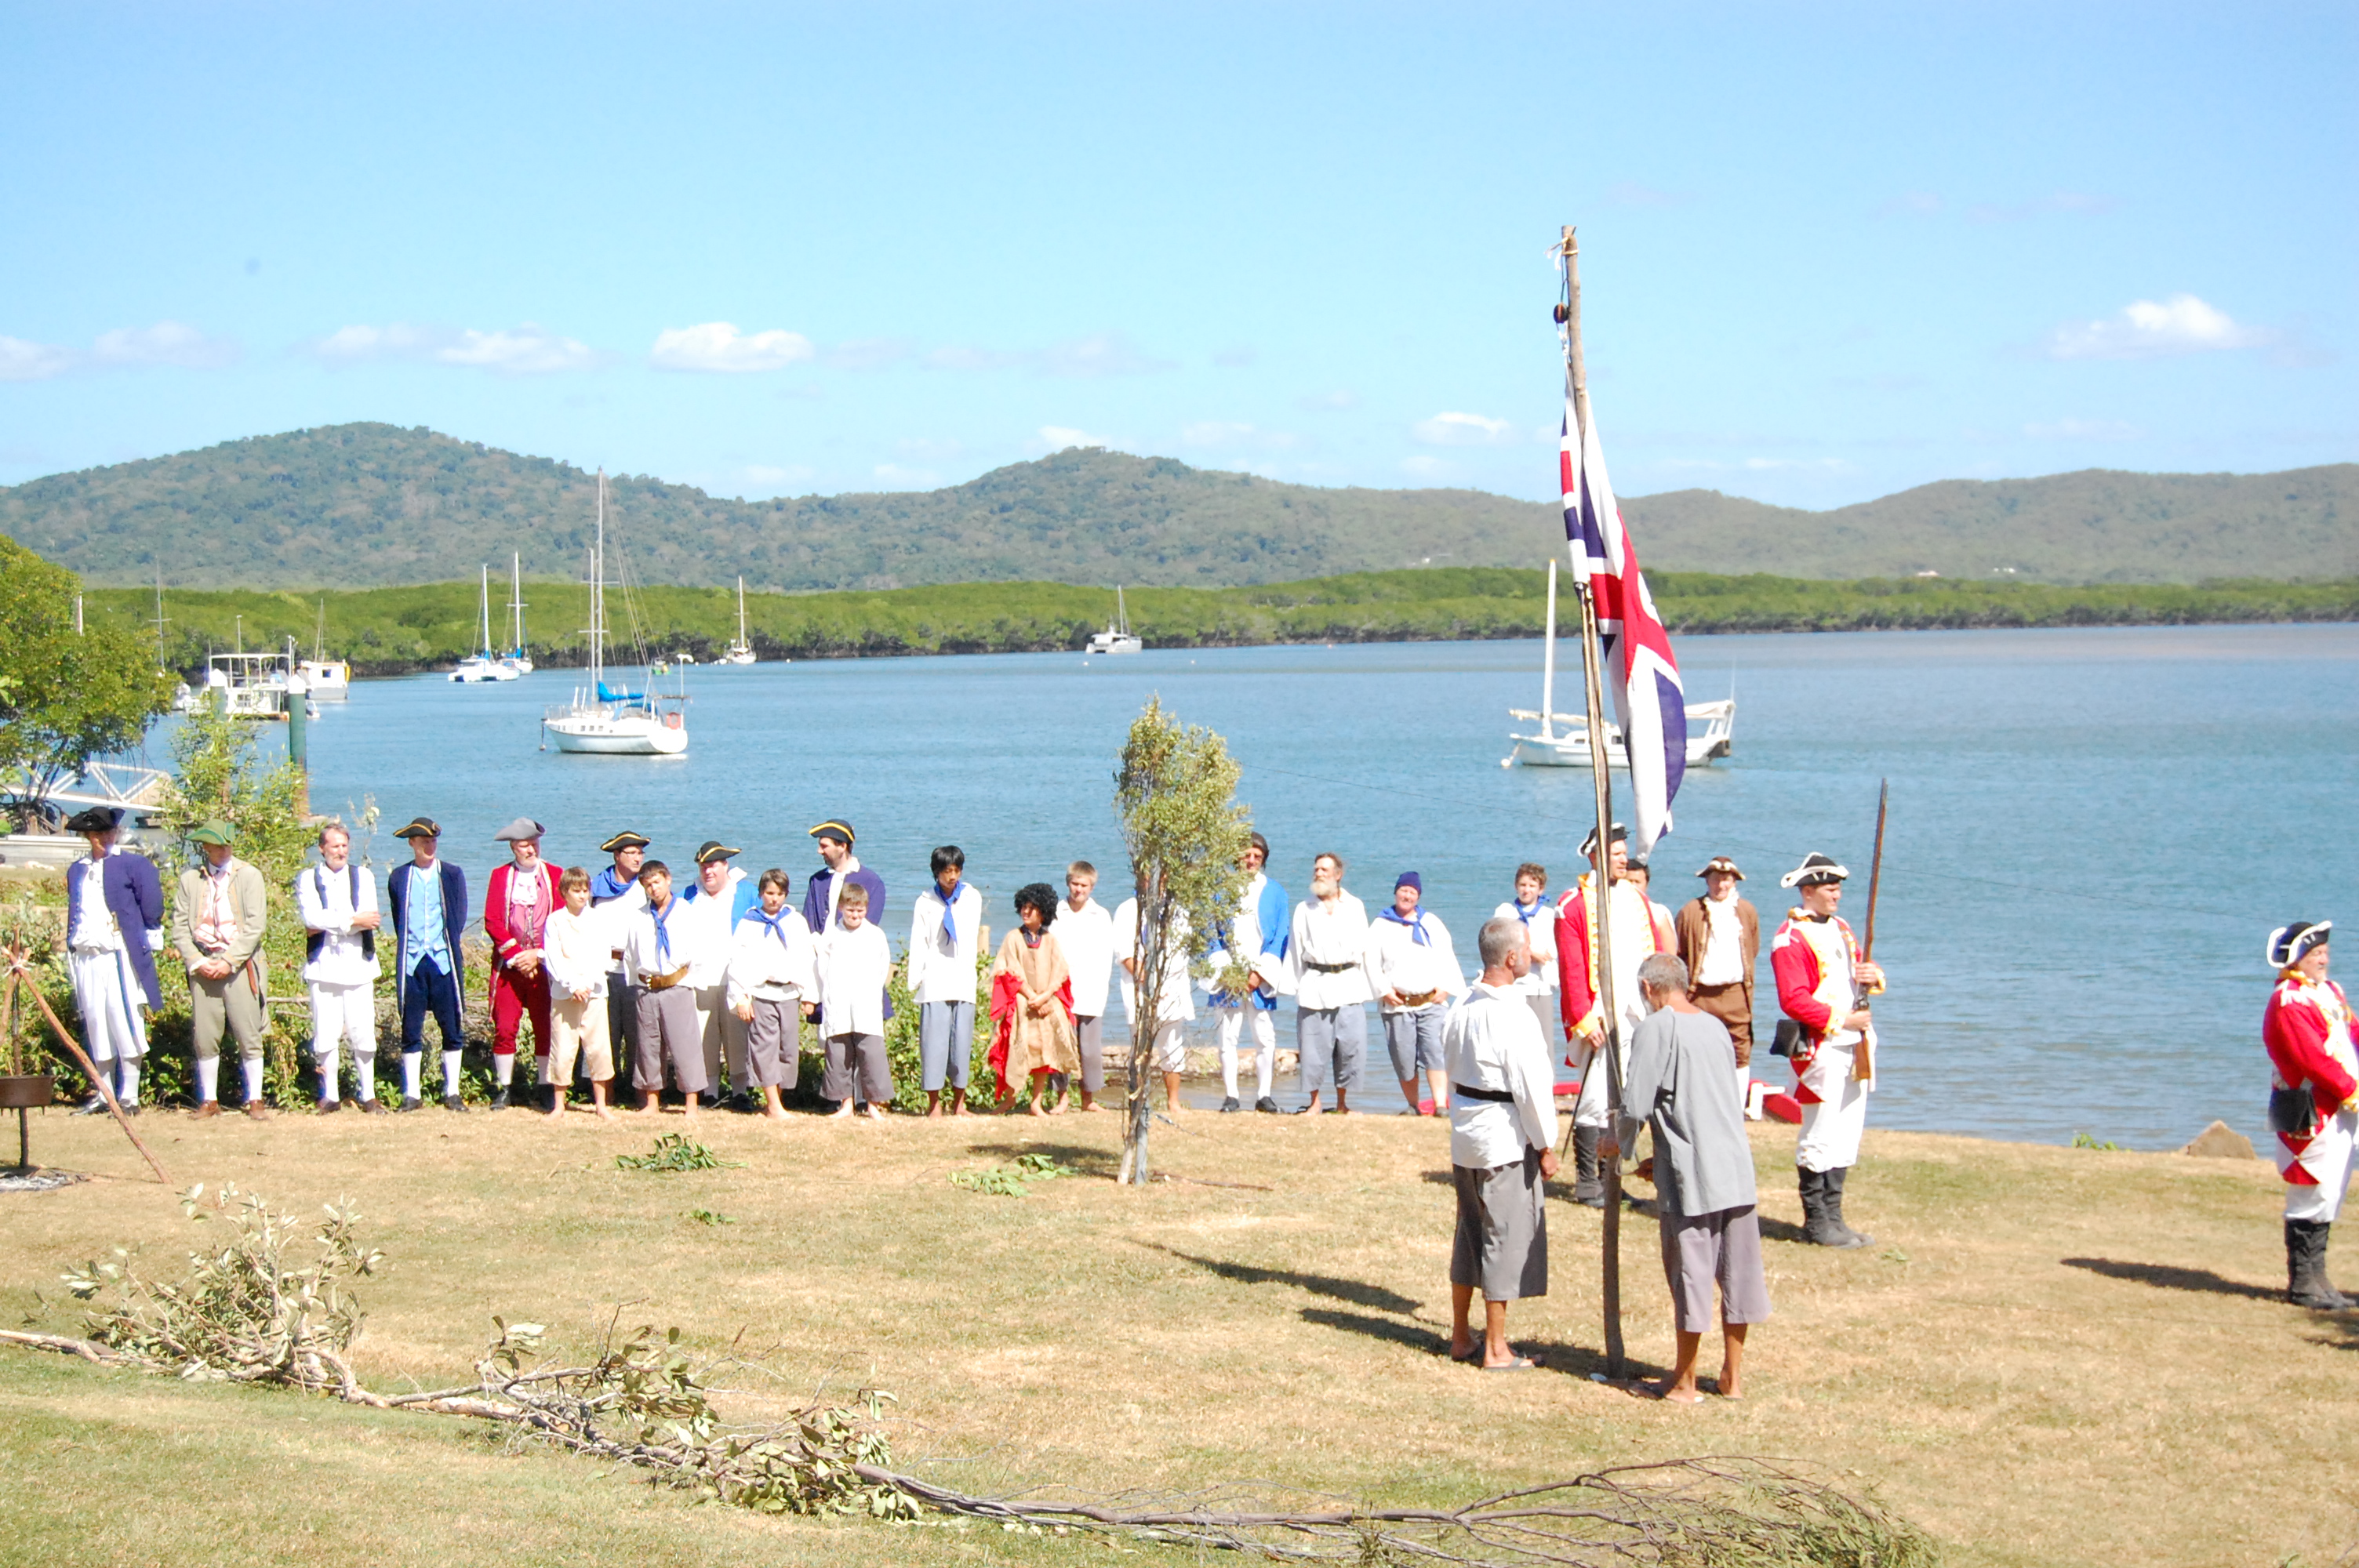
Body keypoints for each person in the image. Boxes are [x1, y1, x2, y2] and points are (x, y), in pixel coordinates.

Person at [1611, 953, 1771, 1403]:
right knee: (1737, 1271)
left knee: (1693, 1274)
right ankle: (1731, 1377)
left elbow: (1637, 1103)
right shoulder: (1715, 1026)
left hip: (1695, 1174)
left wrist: (1618, 1145)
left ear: (1648, 989)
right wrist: (1653, 1159)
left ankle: (1684, 1382)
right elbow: (1696, 1099)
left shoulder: (1656, 1027)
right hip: (1734, 1165)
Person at [1444, 916, 1561, 1372]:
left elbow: (1450, 1065)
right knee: (1502, 1237)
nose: (1531, 954)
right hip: (1503, 1139)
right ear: (1511, 957)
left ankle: (1460, 1334)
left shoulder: (1462, 1007)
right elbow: (1530, 1088)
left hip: (1468, 1134)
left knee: (1469, 1232)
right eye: (1527, 947)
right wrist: (1546, 1144)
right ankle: (1495, 1348)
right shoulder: (1513, 1015)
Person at [1770, 852, 1886, 1249]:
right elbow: (1794, 999)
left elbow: (1851, 974)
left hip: (1854, 1045)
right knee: (1819, 1132)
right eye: (1828, 886)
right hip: (1820, 1046)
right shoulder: (1790, 937)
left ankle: (1835, 1217)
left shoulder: (1842, 929)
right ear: (1808, 891)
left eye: (1838, 886)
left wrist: (1872, 975)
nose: (1836, 892)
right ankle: (1817, 1222)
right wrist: (1842, 1021)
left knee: (1846, 1131)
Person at [1556, 822, 1665, 1204]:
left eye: (1623, 853)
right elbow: (1571, 968)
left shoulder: (1637, 900)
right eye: (1616, 854)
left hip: (1636, 1012)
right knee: (1594, 1098)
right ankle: (1588, 1182)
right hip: (1600, 1016)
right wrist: (1583, 1019)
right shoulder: (1572, 904)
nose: (1624, 859)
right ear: (1595, 856)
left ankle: (1612, 1178)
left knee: (1627, 1098)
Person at [2262, 920, 2357, 1308]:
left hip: (2342, 1103)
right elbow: (2311, 1059)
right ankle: (2303, 1283)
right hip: (2311, 1108)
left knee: (2332, 1189)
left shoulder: (2329, 992)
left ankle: (2319, 1280)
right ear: (2297, 958)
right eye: (2316, 954)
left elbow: (2350, 1034)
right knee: (2311, 1188)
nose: (2324, 959)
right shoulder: (2289, 1000)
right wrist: (2350, 1090)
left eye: (2325, 953)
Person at [60, 807, 164, 1116]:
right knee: (95, 1021)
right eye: (98, 834)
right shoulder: (77, 869)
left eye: (109, 832)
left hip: (118, 952)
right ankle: (104, 1092)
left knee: (126, 1019)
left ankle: (129, 1095)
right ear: (89, 837)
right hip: (87, 954)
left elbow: (152, 906)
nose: (105, 839)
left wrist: (147, 940)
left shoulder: (133, 864)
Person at [171, 819, 271, 1119]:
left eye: (226, 844)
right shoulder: (191, 880)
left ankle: (255, 1099)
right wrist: (197, 961)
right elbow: (179, 927)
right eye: (217, 846)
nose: (223, 850)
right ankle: (209, 1100)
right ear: (206, 848)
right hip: (203, 963)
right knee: (205, 1035)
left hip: (239, 965)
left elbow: (255, 926)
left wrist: (230, 960)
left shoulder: (249, 876)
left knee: (248, 1031)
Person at [296, 821, 384, 1114]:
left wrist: (334, 921)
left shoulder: (364, 876)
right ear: (322, 848)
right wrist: (350, 922)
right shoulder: (309, 878)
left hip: (359, 965)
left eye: (345, 846)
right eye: (334, 846)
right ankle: (330, 1096)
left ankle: (368, 1095)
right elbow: (310, 918)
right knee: (325, 1033)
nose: (341, 851)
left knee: (363, 1033)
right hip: (323, 966)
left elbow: (370, 917)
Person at [387, 817, 469, 1112]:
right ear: (412, 843)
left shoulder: (451, 874)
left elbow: (458, 916)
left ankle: (453, 1092)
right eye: (424, 842)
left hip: (442, 960)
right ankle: (412, 1093)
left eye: (433, 841)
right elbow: (400, 919)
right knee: (411, 1028)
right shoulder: (399, 877)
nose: (430, 846)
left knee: (452, 1027)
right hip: (412, 962)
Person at [1205, 833, 1289, 1114]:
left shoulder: (1275, 892)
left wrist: (1259, 974)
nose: (1251, 860)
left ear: (1263, 858)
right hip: (1228, 977)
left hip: (1260, 978)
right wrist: (1228, 973)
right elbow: (1210, 931)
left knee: (1265, 1038)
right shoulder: (1219, 889)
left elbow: (1280, 935)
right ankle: (1231, 1096)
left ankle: (1264, 1095)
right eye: (1246, 854)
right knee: (1227, 1038)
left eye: (1256, 855)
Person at [619, 860, 708, 1117]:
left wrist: (690, 982)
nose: (653, 889)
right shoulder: (639, 916)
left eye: (657, 882)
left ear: (668, 880)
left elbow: (697, 951)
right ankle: (652, 1101)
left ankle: (691, 1102)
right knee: (648, 1046)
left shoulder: (686, 911)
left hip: (676, 985)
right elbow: (631, 953)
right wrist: (636, 984)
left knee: (685, 1045)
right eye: (648, 885)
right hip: (647, 988)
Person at [726, 869, 816, 1123]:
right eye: (769, 893)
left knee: (787, 1049)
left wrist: (809, 994)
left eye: (779, 894)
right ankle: (774, 1105)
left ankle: (775, 1101)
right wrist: (740, 997)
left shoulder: (795, 922)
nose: (774, 899)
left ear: (786, 895)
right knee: (764, 1048)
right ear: (760, 894)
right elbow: (737, 962)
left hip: (788, 993)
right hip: (760, 992)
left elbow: (807, 958)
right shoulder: (749, 922)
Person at [485, 818, 561, 1109]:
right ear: (514, 848)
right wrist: (517, 955)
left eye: (534, 844)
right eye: (525, 845)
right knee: (505, 1027)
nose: (531, 850)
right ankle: (504, 1087)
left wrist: (538, 954)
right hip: (511, 966)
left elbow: (560, 919)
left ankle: (545, 1084)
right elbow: (493, 920)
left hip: (544, 965)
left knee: (545, 1026)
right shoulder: (500, 876)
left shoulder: (554, 874)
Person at [1290, 851, 1373, 1115]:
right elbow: (1295, 949)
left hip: (1349, 984)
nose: (1319, 873)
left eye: (1325, 869)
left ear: (1338, 875)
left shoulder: (1355, 905)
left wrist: (1373, 987)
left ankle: (1342, 1104)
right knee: (1313, 1049)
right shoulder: (1304, 909)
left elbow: (1365, 948)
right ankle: (1315, 1103)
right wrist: (1295, 986)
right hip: (1314, 984)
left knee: (1350, 1048)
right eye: (1316, 869)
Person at [1371, 871, 1459, 1116]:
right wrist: (1384, 990)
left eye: (1412, 892)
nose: (1407, 895)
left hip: (1431, 1002)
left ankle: (1440, 1105)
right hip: (1397, 1004)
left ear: (1418, 896)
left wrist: (1446, 988)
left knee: (1435, 1051)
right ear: (1396, 892)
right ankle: (1413, 1106)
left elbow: (1447, 956)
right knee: (1404, 1056)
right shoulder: (1381, 924)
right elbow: (1370, 962)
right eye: (1403, 890)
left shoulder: (1431, 922)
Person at [1676, 857, 1761, 1105]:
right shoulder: (1690, 911)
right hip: (1700, 994)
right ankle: (1697, 1104)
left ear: (1734, 881)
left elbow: (1753, 948)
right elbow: (1681, 952)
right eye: (1715, 879)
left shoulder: (1746, 911)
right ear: (1707, 881)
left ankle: (1735, 1106)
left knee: (1740, 1050)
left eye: (1726, 879)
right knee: (1696, 1049)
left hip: (1736, 992)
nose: (1721, 885)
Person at [990, 883, 1078, 1114]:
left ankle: (1036, 1102)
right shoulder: (1013, 938)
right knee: (1016, 1050)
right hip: (1022, 1004)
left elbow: (1060, 970)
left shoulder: (1050, 940)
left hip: (1046, 1005)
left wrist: (1046, 997)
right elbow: (1009, 969)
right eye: (1023, 907)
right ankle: (1010, 1099)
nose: (1026, 912)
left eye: (1032, 908)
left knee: (1043, 1052)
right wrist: (1031, 997)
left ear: (1044, 912)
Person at [909, 846, 983, 1117]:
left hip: (963, 977)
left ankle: (960, 1103)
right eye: (946, 872)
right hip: (935, 977)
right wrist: (915, 978)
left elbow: (968, 933)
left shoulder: (971, 897)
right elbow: (919, 941)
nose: (952, 877)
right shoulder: (925, 901)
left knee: (961, 1041)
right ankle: (934, 1104)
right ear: (936, 873)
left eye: (956, 871)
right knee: (934, 1043)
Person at [1114, 872, 1195, 1115]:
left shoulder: (1179, 909)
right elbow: (1126, 953)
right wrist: (1148, 982)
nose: (1152, 883)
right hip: (1140, 988)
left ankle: (1173, 1101)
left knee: (1172, 1047)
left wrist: (1165, 983)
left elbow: (1184, 950)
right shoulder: (1129, 909)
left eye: (1158, 878)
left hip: (1173, 985)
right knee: (1140, 1048)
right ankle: (1139, 1100)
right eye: (1147, 878)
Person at [540, 866, 617, 1120]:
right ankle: (559, 1104)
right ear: (565, 892)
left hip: (594, 992)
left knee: (599, 1048)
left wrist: (588, 983)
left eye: (586, 891)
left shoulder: (598, 919)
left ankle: (601, 1104)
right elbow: (553, 958)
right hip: (565, 993)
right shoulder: (555, 920)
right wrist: (572, 985)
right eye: (577, 891)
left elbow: (604, 955)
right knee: (562, 1048)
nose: (582, 896)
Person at [680, 841, 754, 1102]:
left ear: (726, 865)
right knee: (704, 1039)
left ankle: (740, 1092)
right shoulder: (689, 895)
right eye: (703, 866)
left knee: (737, 1038)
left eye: (712, 865)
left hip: (735, 979)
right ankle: (709, 1092)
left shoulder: (745, 893)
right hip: (700, 979)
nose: (707, 871)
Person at [811, 882, 893, 1119]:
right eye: (850, 910)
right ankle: (845, 1104)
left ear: (866, 909)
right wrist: (831, 994)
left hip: (866, 1005)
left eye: (859, 910)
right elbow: (823, 969)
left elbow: (882, 967)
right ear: (841, 908)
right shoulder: (832, 935)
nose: (855, 915)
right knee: (839, 1055)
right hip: (838, 1004)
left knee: (871, 1055)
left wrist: (869, 992)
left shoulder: (875, 935)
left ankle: (873, 1105)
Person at [590, 831, 652, 1083]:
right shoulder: (597, 887)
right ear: (617, 856)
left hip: (634, 970)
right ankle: (605, 1086)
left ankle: (637, 1086)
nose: (638, 858)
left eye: (640, 853)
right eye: (632, 853)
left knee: (638, 1033)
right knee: (606, 1032)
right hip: (604, 969)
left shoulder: (645, 887)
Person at [1058, 862, 1118, 1112]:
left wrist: (1101, 991)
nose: (1078, 889)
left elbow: (1106, 957)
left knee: (1090, 1050)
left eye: (1083, 885)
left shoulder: (1101, 915)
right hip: (1061, 989)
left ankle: (1088, 1099)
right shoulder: (1056, 911)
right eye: (1075, 884)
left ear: (1092, 887)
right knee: (1062, 1046)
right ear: (1068, 882)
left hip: (1091, 989)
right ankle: (1062, 1098)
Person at [1495, 862, 1557, 1047]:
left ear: (1540, 889)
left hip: (1539, 987)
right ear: (1516, 886)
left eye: (1532, 886)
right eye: (1522, 885)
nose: (1526, 890)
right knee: (1512, 1042)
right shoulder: (1506, 912)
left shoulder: (1548, 915)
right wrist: (1530, 953)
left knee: (1542, 1042)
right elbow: (1501, 943)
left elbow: (1551, 951)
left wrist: (1537, 954)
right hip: (1513, 986)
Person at [802, 819, 886, 934]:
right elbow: (808, 923)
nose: (819, 851)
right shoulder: (817, 880)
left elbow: (869, 926)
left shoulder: (872, 882)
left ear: (842, 846)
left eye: (824, 846)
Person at [1627, 859, 1678, 953]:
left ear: (1646, 884)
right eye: (1629, 881)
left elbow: (1670, 953)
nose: (1633, 886)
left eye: (1637, 882)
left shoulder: (1658, 913)